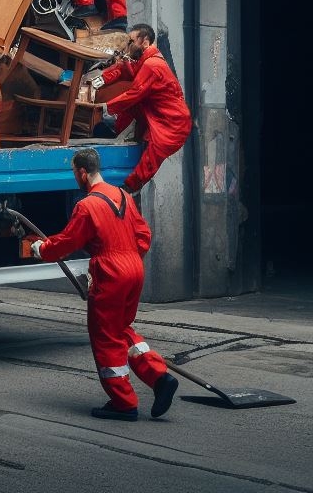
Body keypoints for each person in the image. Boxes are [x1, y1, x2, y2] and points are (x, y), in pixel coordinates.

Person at [31, 147, 178, 421]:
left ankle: (124, 402)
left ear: (82, 173)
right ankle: (159, 377)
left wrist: (42, 249)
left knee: (106, 336)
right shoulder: (123, 196)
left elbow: (68, 241)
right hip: (134, 268)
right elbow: (143, 234)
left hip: (111, 272)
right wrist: (130, 258)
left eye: (74, 173)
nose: (75, 177)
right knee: (121, 329)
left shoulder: (86, 206)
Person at [91, 23, 192, 194]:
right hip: (161, 114)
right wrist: (99, 81)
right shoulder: (146, 60)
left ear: (144, 41)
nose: (128, 45)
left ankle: (129, 187)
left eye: (131, 42)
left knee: (151, 159)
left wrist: (106, 107)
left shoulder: (152, 65)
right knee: (133, 106)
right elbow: (126, 71)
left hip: (173, 123)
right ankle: (115, 130)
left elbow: (134, 93)